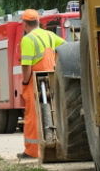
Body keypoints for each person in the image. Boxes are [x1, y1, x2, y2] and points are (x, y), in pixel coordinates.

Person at [18, 8, 66, 159]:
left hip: (35, 80)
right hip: (51, 77)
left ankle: (32, 151)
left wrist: (25, 82)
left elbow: (26, 65)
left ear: (25, 24)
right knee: (53, 112)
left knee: (32, 115)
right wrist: (55, 64)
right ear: (38, 21)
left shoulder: (27, 39)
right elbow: (65, 48)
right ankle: (57, 144)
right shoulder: (50, 35)